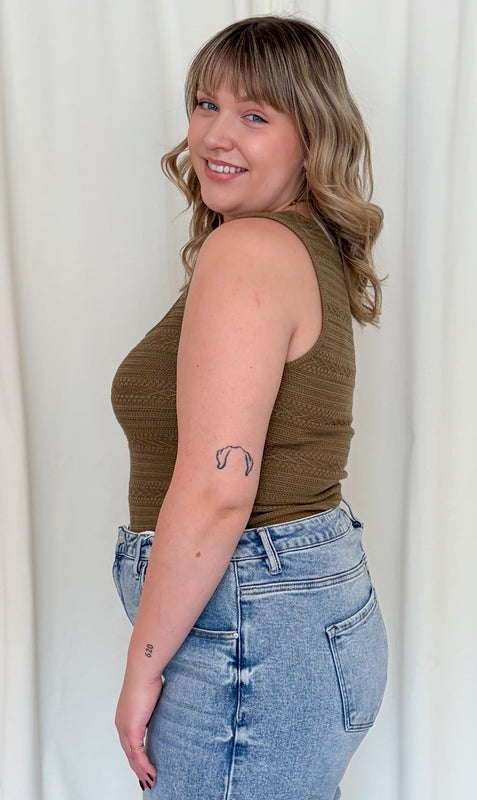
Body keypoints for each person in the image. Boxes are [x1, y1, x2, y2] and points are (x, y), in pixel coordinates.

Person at [111, 14, 388, 799]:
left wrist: (141, 670)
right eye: (206, 105)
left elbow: (217, 491)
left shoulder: (250, 250)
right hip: (286, 615)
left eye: (255, 115)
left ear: (311, 137)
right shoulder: (296, 242)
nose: (215, 135)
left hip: (252, 625)